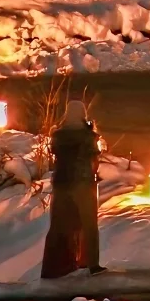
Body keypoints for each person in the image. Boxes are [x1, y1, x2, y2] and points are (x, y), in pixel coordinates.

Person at [40, 100, 104, 278]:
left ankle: (53, 267)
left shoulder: (58, 135)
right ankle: (91, 264)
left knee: (58, 226)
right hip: (82, 183)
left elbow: (54, 154)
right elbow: (94, 159)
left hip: (61, 184)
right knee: (89, 224)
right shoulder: (88, 136)